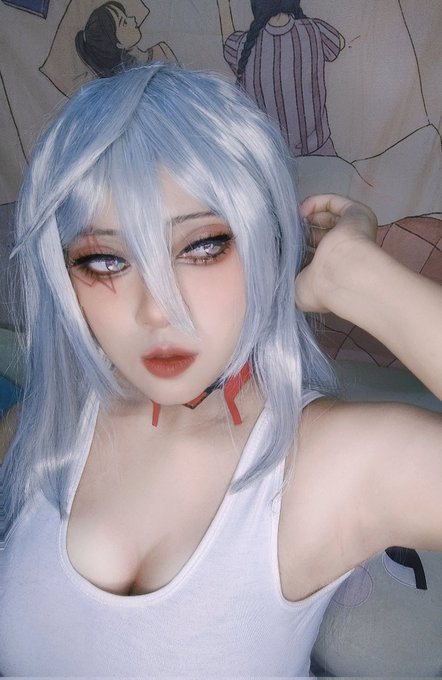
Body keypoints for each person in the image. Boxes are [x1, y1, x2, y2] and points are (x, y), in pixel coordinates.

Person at [0, 62, 441, 677]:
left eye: (202, 246)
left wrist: (361, 278)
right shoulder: (38, 434)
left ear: (264, 242)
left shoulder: (329, 463)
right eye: (105, 260)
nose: (158, 309)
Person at [217, 0, 344, 156]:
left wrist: (223, 6)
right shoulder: (315, 30)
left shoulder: (243, 45)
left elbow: (228, 45)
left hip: (270, 157)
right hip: (319, 151)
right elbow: (339, 43)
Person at [75, 1, 176, 77]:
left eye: (126, 16)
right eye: (124, 22)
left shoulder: (161, 50)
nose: (133, 19)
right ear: (118, 44)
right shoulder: (125, 82)